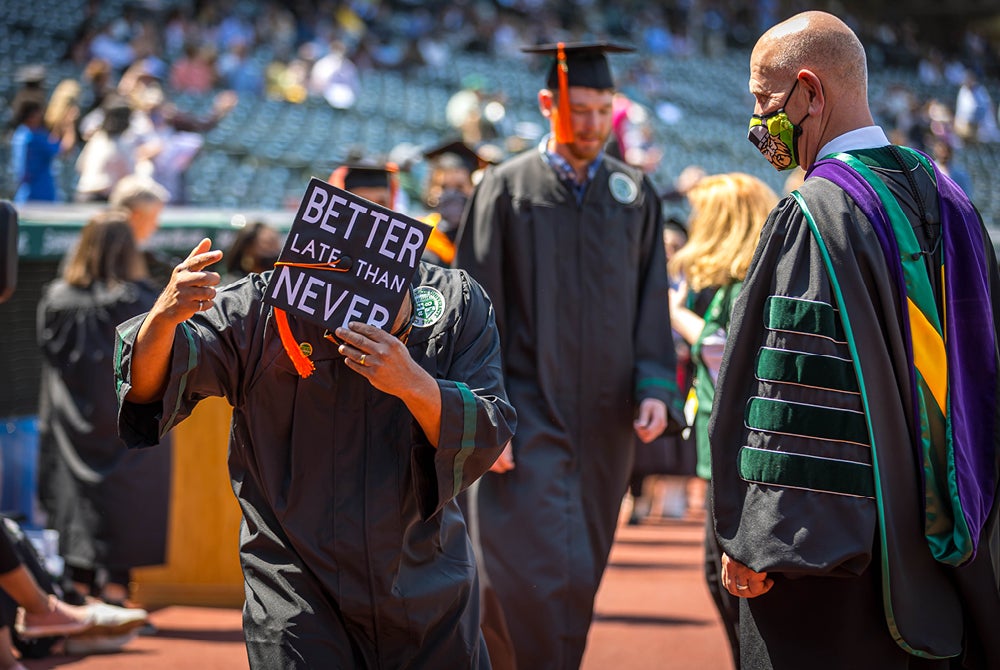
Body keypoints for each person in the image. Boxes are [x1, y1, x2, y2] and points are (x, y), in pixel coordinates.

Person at [112, 163, 516, 666]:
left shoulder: (453, 300)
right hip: (295, 584)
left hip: (422, 577)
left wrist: (412, 383)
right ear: (317, 224)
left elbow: (490, 424)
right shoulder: (264, 306)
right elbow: (152, 384)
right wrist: (163, 318)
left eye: (383, 215)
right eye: (352, 215)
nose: (369, 232)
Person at [712, 11, 1000, 668]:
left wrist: (764, 541)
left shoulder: (817, 213)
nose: (759, 121)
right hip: (958, 550)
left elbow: (796, 400)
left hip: (842, 579)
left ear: (810, 92)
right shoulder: (951, 197)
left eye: (764, 100)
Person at [454, 41, 680, 669]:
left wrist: (655, 386)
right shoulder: (507, 189)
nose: (591, 123)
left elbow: (649, 303)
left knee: (579, 572)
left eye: (603, 108)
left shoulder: (633, 194)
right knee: (511, 578)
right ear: (548, 102)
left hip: (606, 423)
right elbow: (474, 311)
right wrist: (482, 422)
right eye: (579, 109)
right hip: (522, 414)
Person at [667, 173, 778, 668]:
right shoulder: (733, 282)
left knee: (734, 588)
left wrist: (673, 310)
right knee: (721, 583)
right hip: (727, 454)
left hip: (741, 457)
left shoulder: (745, 283)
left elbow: (719, 351)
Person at [36, 209, 169, 611]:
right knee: (128, 496)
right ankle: (115, 592)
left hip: (70, 422)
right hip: (124, 418)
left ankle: (78, 591)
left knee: (74, 497)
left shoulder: (56, 299)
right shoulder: (142, 300)